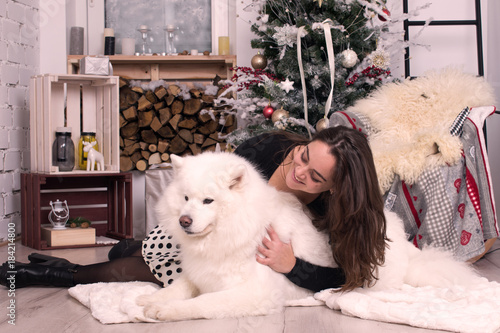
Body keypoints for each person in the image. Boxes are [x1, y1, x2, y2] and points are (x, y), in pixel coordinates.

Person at [0, 126, 387, 292]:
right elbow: (207, 192)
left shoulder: (336, 210)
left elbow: (345, 277)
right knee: (143, 252)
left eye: (316, 176)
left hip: (248, 258)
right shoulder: (266, 149)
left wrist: (293, 266)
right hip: (208, 234)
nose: (298, 171)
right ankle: (68, 267)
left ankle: (62, 274)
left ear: (336, 187)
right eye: (303, 155)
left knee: (150, 270)